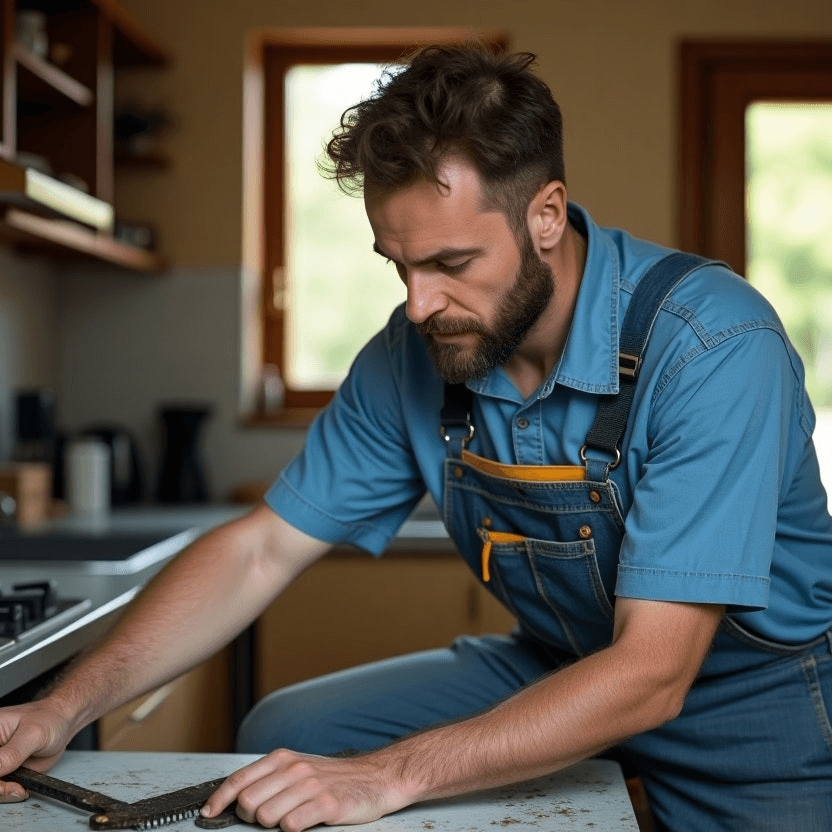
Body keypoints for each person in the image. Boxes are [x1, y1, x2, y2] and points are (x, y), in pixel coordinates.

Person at [1, 43, 831, 832]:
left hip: (752, 702)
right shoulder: (415, 351)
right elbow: (259, 551)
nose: (419, 305)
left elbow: (651, 673)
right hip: (557, 662)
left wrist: (389, 774)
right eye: (398, 266)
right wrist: (65, 705)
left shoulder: (714, 348)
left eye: (451, 263)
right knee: (285, 729)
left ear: (545, 215)